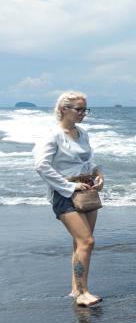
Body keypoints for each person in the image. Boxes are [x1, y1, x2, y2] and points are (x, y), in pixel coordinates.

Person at [33, 91, 104, 307]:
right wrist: (70, 185)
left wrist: (98, 173)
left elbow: (87, 161)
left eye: (85, 109)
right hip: (64, 194)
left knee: (81, 243)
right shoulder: (53, 135)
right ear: (64, 109)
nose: (83, 113)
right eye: (79, 109)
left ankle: (76, 289)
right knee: (87, 241)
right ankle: (83, 293)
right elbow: (41, 166)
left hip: (87, 191)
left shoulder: (82, 134)